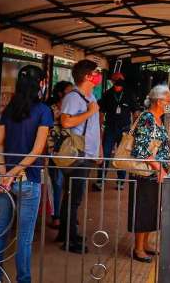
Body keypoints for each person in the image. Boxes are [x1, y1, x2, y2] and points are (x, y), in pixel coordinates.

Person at [0, 65, 54, 283]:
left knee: (0, 232)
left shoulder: (9, 109)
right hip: (29, 181)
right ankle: (23, 280)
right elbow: (37, 150)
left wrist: (4, 173)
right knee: (24, 238)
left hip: (4, 182)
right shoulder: (44, 111)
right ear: (41, 84)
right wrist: (14, 173)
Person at [56, 59, 102, 254]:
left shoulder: (89, 96)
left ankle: (67, 233)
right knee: (73, 198)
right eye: (96, 72)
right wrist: (89, 112)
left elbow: (93, 127)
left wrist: (98, 150)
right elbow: (65, 122)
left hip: (87, 154)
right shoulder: (74, 98)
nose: (99, 75)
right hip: (76, 155)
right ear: (87, 76)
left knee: (74, 197)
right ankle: (69, 239)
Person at [128, 85, 170, 263]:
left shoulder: (158, 118)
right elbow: (140, 148)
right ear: (159, 101)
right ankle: (138, 249)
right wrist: (159, 168)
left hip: (153, 173)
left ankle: (144, 244)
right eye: (168, 99)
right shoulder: (147, 117)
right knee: (142, 210)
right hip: (145, 174)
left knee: (151, 210)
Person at [95, 72, 136, 191]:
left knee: (122, 155)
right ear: (112, 81)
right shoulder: (107, 94)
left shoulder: (129, 94)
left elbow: (135, 112)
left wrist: (134, 130)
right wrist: (99, 128)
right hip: (110, 129)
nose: (117, 81)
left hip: (125, 129)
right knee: (106, 154)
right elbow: (101, 112)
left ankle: (120, 181)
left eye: (120, 79)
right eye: (115, 80)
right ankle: (100, 180)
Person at [46, 80, 74, 229]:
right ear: (60, 93)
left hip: (70, 149)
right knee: (57, 183)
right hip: (54, 150)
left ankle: (67, 215)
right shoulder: (50, 109)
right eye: (69, 91)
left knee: (67, 183)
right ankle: (56, 216)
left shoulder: (72, 107)